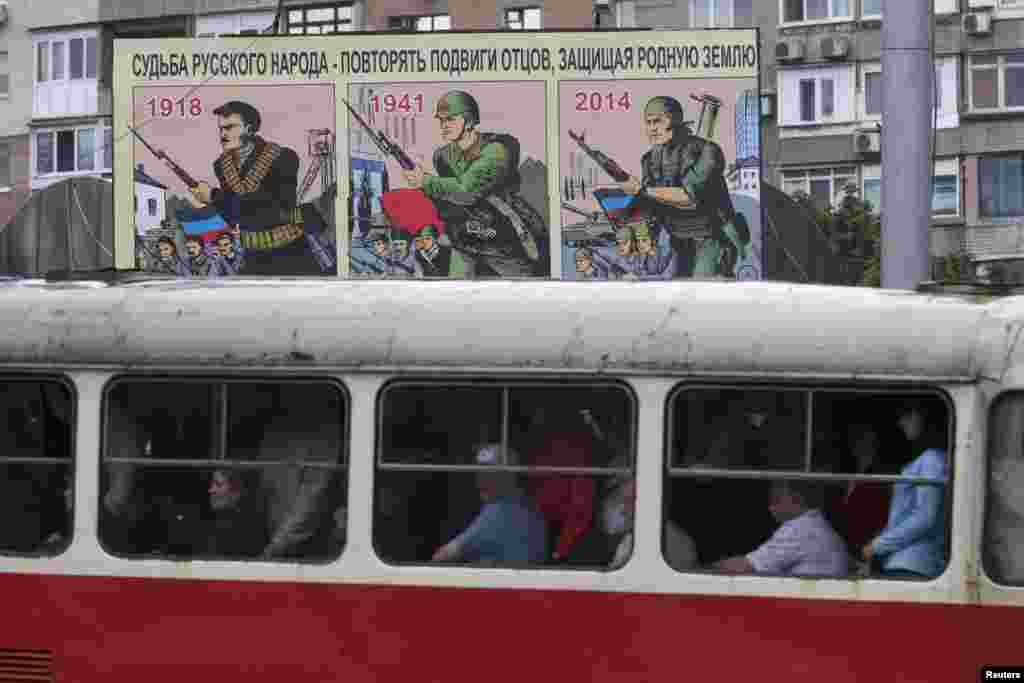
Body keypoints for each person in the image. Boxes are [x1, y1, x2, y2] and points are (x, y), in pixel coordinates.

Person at [402, 90, 548, 277]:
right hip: (465, 242)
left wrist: (425, 181)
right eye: (441, 120)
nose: (444, 126)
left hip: (503, 241)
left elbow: (466, 191)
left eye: (451, 119)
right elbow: (447, 196)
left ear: (469, 121)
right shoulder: (443, 156)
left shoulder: (497, 150)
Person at [187, 100, 328, 275]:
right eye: (221, 129)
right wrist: (208, 204)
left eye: (230, 127)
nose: (223, 134)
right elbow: (234, 216)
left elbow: (274, 210)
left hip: (288, 250)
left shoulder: (283, 157)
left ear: (249, 128)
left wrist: (214, 197)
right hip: (251, 252)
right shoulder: (221, 166)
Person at [619, 96, 749, 278]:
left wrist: (642, 191)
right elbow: (651, 209)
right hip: (677, 241)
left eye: (658, 121)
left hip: (711, 239)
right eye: (648, 123)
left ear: (675, 120)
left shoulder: (708, 151)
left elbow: (689, 198)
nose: (652, 128)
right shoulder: (649, 159)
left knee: (703, 292)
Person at [862, 401, 948, 579]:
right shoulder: (926, 459)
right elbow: (901, 517)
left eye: (908, 414)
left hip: (913, 563)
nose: (901, 422)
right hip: (905, 561)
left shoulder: (932, 459)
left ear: (926, 417)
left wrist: (876, 546)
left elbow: (925, 517)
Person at [432, 444, 547, 565]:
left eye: (490, 474)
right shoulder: (529, 504)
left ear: (510, 476)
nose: (480, 481)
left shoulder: (500, 511)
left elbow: (442, 557)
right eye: (478, 473)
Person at [713, 480, 849, 578]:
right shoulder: (816, 524)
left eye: (776, 499)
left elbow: (745, 567)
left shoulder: (799, 529)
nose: (770, 506)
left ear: (797, 499)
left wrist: (704, 568)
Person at [826, 421, 892, 556]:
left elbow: (881, 519)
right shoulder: (846, 474)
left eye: (864, 439)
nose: (857, 444)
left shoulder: (881, 477)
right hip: (839, 546)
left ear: (875, 443)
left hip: (864, 548)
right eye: (855, 439)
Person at [608, 479, 698, 571]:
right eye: (623, 501)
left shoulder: (635, 542)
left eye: (628, 501)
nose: (623, 509)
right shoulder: (683, 539)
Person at [206, 469, 268, 558]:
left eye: (218, 485)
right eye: (212, 484)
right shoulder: (217, 521)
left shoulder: (248, 527)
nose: (211, 490)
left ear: (236, 492)